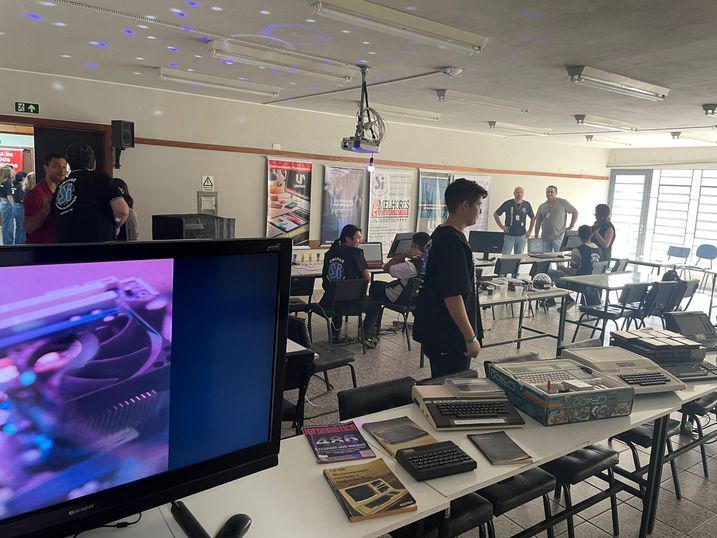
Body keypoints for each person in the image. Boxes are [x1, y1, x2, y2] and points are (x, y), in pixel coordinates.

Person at [414, 178, 487, 378]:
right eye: (478, 204)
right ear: (465, 205)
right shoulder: (451, 242)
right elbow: (452, 295)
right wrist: (469, 337)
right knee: (450, 388)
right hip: (448, 334)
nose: (480, 210)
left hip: (440, 330)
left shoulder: (441, 234)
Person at [362, 232, 430, 347]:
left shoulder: (410, 266)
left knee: (375, 286)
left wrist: (403, 255)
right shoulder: (431, 262)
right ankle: (372, 326)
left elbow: (386, 268)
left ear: (415, 245)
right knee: (381, 286)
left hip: (401, 298)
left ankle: (370, 329)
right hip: (418, 300)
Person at [54, 144, 129, 243]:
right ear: (93, 163)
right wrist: (116, 226)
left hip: (66, 247)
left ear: (69, 164)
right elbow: (122, 211)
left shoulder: (60, 187)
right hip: (97, 245)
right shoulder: (99, 178)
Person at [318, 224, 370, 342]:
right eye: (358, 238)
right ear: (348, 238)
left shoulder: (330, 252)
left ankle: (335, 334)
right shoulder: (356, 253)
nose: (360, 241)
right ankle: (365, 336)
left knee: (339, 292)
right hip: (352, 303)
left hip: (330, 301)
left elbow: (325, 277)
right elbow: (367, 278)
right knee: (375, 305)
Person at [548, 224, 603, 308]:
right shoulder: (599, 250)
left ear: (578, 236)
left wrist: (561, 268)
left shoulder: (577, 250)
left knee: (549, 273)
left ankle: (565, 299)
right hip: (592, 281)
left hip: (578, 282)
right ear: (591, 235)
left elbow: (572, 272)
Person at [25, 154, 67, 244]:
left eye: (64, 167)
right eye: (56, 166)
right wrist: (45, 209)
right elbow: (28, 227)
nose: (62, 170)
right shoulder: (35, 194)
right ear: (46, 168)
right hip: (41, 249)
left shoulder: (65, 190)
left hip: (60, 247)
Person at [534, 185, 578, 252]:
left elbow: (575, 212)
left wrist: (571, 226)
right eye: (548, 192)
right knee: (545, 258)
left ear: (556, 193)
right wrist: (536, 236)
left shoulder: (563, 202)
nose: (549, 193)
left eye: (552, 192)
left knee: (559, 257)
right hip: (545, 239)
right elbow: (538, 221)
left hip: (558, 237)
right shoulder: (542, 206)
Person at [493, 186, 535, 254]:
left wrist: (530, 231)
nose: (519, 194)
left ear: (523, 194)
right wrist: (501, 226)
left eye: (521, 192)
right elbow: (496, 214)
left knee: (519, 257)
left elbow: (533, 218)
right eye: (517, 192)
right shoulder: (507, 203)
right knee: (505, 256)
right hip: (509, 235)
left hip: (522, 236)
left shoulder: (527, 204)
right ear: (514, 193)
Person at [10, 171, 27, 244]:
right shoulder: (21, 186)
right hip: (20, 207)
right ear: (23, 178)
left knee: (18, 227)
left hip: (15, 207)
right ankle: (22, 244)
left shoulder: (14, 186)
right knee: (23, 228)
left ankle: (17, 243)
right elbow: (22, 199)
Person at [0, 166, 14, 245]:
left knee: (5, 223)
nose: (13, 173)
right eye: (11, 172)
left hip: (2, 203)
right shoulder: (8, 183)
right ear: (8, 173)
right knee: (9, 224)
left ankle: (6, 241)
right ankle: (8, 242)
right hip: (7, 203)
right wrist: (13, 205)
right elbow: (9, 196)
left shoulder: (1, 182)